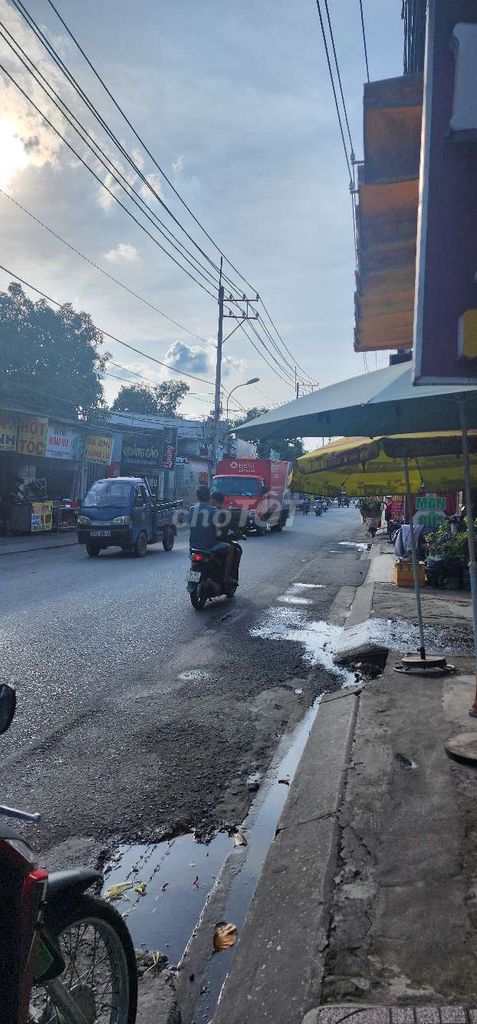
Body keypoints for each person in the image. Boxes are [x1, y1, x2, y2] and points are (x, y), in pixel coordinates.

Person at [188, 485, 236, 583]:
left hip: (193, 546)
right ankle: (226, 577)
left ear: (197, 497)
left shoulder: (192, 509)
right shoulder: (214, 511)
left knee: (194, 563)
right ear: (209, 497)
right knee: (230, 549)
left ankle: (191, 582)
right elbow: (218, 534)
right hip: (209, 546)